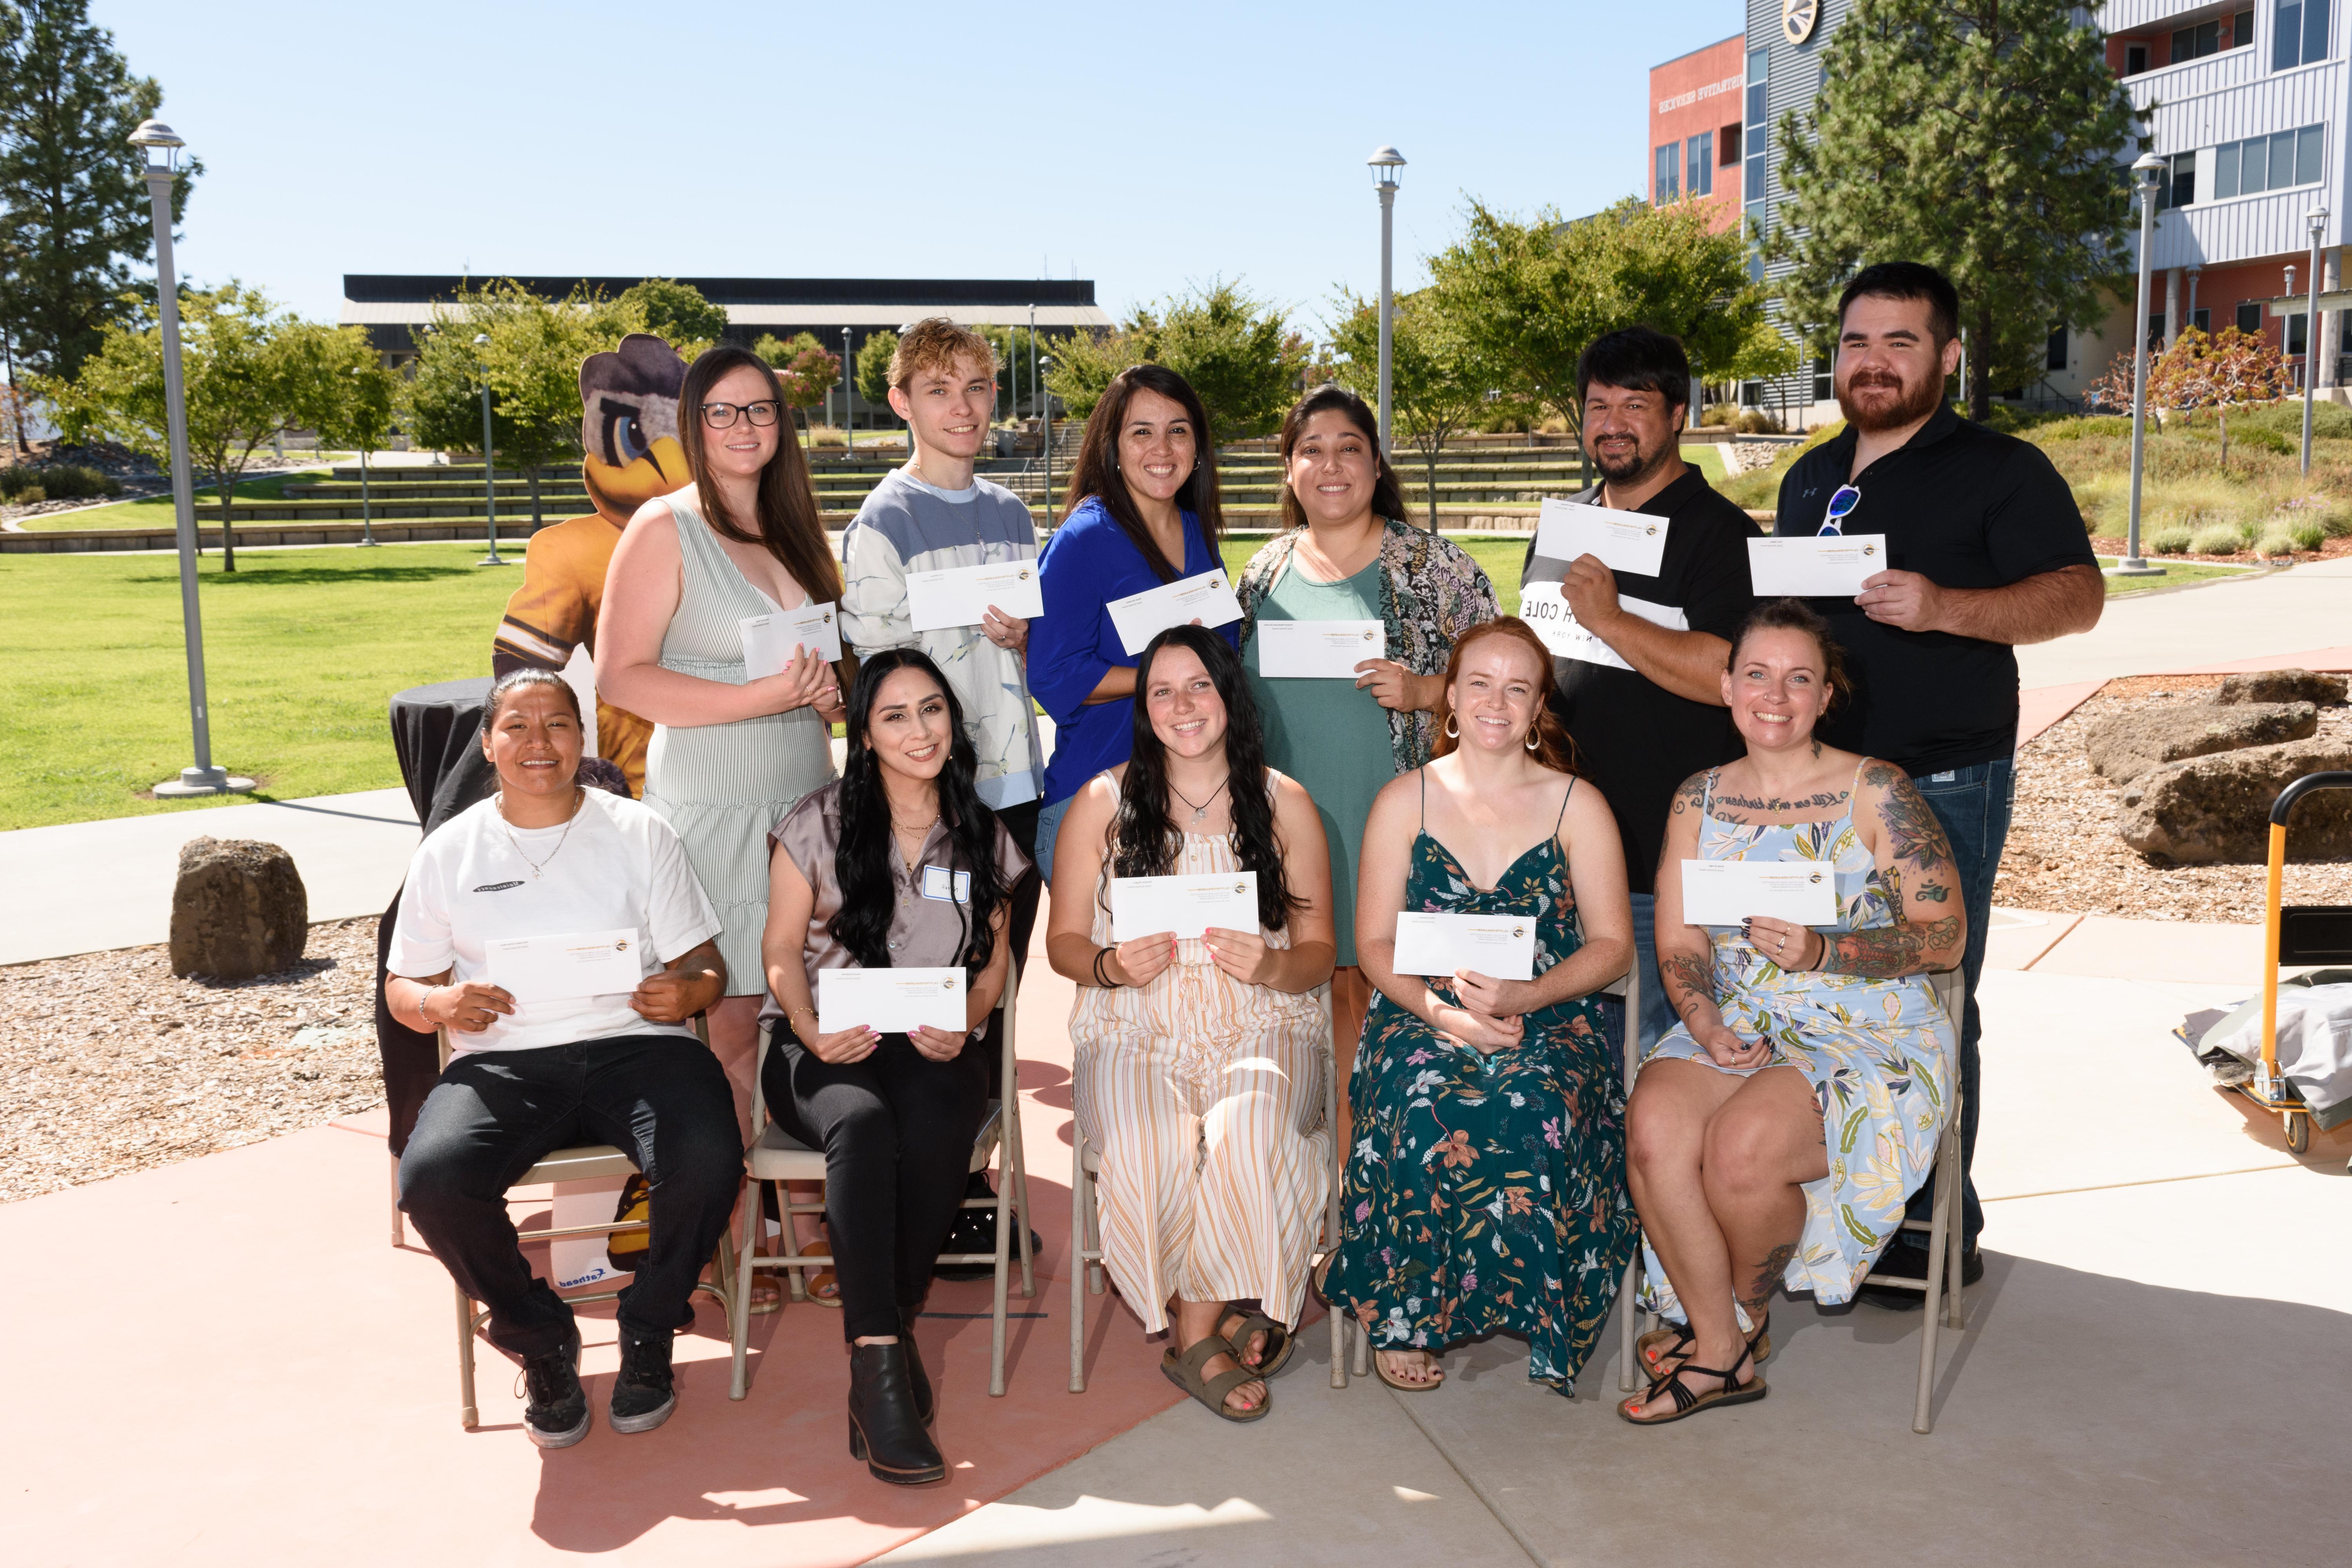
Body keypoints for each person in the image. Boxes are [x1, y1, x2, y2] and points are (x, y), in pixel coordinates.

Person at [1771, 262, 2100, 1301]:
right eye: (1857, 342)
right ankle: (1853, 1202)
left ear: (1947, 357)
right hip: (1822, 789)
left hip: (1945, 781)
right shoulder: (1810, 479)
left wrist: (1944, 605)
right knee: (1828, 988)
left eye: (1901, 342)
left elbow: (2078, 599)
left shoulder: (2002, 471)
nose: (1874, 362)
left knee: (1934, 997)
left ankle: (1932, 1222)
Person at [1620, 600, 1963, 1424]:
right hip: (1739, 1013)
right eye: (1758, 673)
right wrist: (1702, 1020)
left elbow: (1946, 935)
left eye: (1799, 677)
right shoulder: (1696, 798)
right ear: (1729, 684)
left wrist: (1827, 952)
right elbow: (1681, 939)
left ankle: (1725, 1335)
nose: (1776, 694)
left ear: (1826, 692)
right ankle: (1726, 1342)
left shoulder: (1875, 790)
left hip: (1868, 1021)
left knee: (1743, 1152)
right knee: (1654, 1125)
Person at [388, 669, 743, 1450]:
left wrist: (685, 992)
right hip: (507, 1061)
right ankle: (541, 1337)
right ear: (488, 743)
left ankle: (649, 1328)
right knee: (431, 1182)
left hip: (638, 1047)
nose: (537, 742)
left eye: (556, 724)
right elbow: (401, 990)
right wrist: (443, 1005)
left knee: (709, 1153)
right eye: (517, 726)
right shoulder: (451, 849)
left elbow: (708, 965)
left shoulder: (639, 831)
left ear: (583, 739)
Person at [1321, 619, 1638, 1396]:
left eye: (1518, 687)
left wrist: (1528, 994)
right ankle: (1406, 1309)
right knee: (1425, 1103)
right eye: (1480, 684)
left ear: (1538, 708)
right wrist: (1446, 1015)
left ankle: (1533, 1299)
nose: (1498, 701)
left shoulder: (1578, 804)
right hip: (1421, 1012)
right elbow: (1372, 943)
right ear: (1452, 700)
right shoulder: (1405, 800)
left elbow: (1612, 946)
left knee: (1533, 1102)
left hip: (1551, 1013)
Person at [1047, 625, 1336, 1423]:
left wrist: (1272, 965)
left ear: (1229, 695)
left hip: (1263, 1016)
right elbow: (1064, 940)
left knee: (1250, 1131)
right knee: (1147, 1143)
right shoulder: (1103, 803)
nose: (1182, 704)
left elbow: (1318, 951)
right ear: (1144, 709)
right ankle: (1241, 1306)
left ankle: (1196, 1331)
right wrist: (1110, 965)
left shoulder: (1285, 803)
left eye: (1198, 685)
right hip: (1137, 1021)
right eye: (1163, 690)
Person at [758, 649, 1025, 1485]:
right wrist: (806, 1024)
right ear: (865, 736)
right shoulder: (816, 821)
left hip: (931, 1040)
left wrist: (972, 1020)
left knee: (946, 1117)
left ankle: (890, 1331)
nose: (921, 730)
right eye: (896, 715)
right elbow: (776, 950)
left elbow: (995, 968)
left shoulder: (983, 831)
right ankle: (878, 1361)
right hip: (821, 1040)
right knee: (865, 1122)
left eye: (933, 709)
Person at [599, 344, 849, 1144]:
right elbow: (620, 678)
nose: (745, 425)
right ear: (694, 424)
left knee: (805, 1025)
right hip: (716, 816)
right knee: (734, 1030)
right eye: (723, 411)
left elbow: (821, 668)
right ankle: (737, 1252)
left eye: (762, 409)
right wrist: (763, 697)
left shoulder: (794, 525)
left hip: (808, 808)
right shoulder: (663, 525)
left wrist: (834, 695)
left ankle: (803, 1237)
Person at [838, 317, 1046, 1273]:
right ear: (901, 403)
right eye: (939, 390)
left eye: (976, 388)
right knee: (933, 981)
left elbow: (1033, 651)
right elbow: (883, 674)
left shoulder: (1011, 510)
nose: (963, 408)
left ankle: (977, 1174)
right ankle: (933, 1177)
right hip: (931, 797)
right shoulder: (881, 522)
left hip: (1012, 787)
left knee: (997, 990)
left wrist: (1024, 640)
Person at [1235, 383, 1498, 1100]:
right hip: (1289, 830)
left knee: (1365, 1012)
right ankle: (1304, 1189)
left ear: (1377, 464)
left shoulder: (1438, 570)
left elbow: (1518, 675)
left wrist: (1427, 690)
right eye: (1311, 450)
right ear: (1288, 469)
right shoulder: (1263, 574)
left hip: (1389, 829)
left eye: (1349, 448)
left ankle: (1359, 1191)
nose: (1331, 465)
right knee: (1294, 1019)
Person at [1521, 327, 1755, 1058]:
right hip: (1555, 858)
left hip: (1663, 868)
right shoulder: (1565, 527)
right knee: (1570, 1068)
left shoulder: (1723, 535)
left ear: (1679, 414)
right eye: (1597, 406)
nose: (1612, 425)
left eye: (1635, 405)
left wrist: (1613, 620)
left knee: (1654, 1065)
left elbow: (1731, 678)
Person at [1030, 366, 1238, 884]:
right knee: (1113, 967)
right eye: (1141, 431)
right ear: (1113, 446)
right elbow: (1054, 675)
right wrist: (1161, 678)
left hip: (1192, 799)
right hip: (1099, 802)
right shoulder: (1085, 537)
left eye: (1178, 430)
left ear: (1198, 445)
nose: (1162, 448)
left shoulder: (1198, 534)